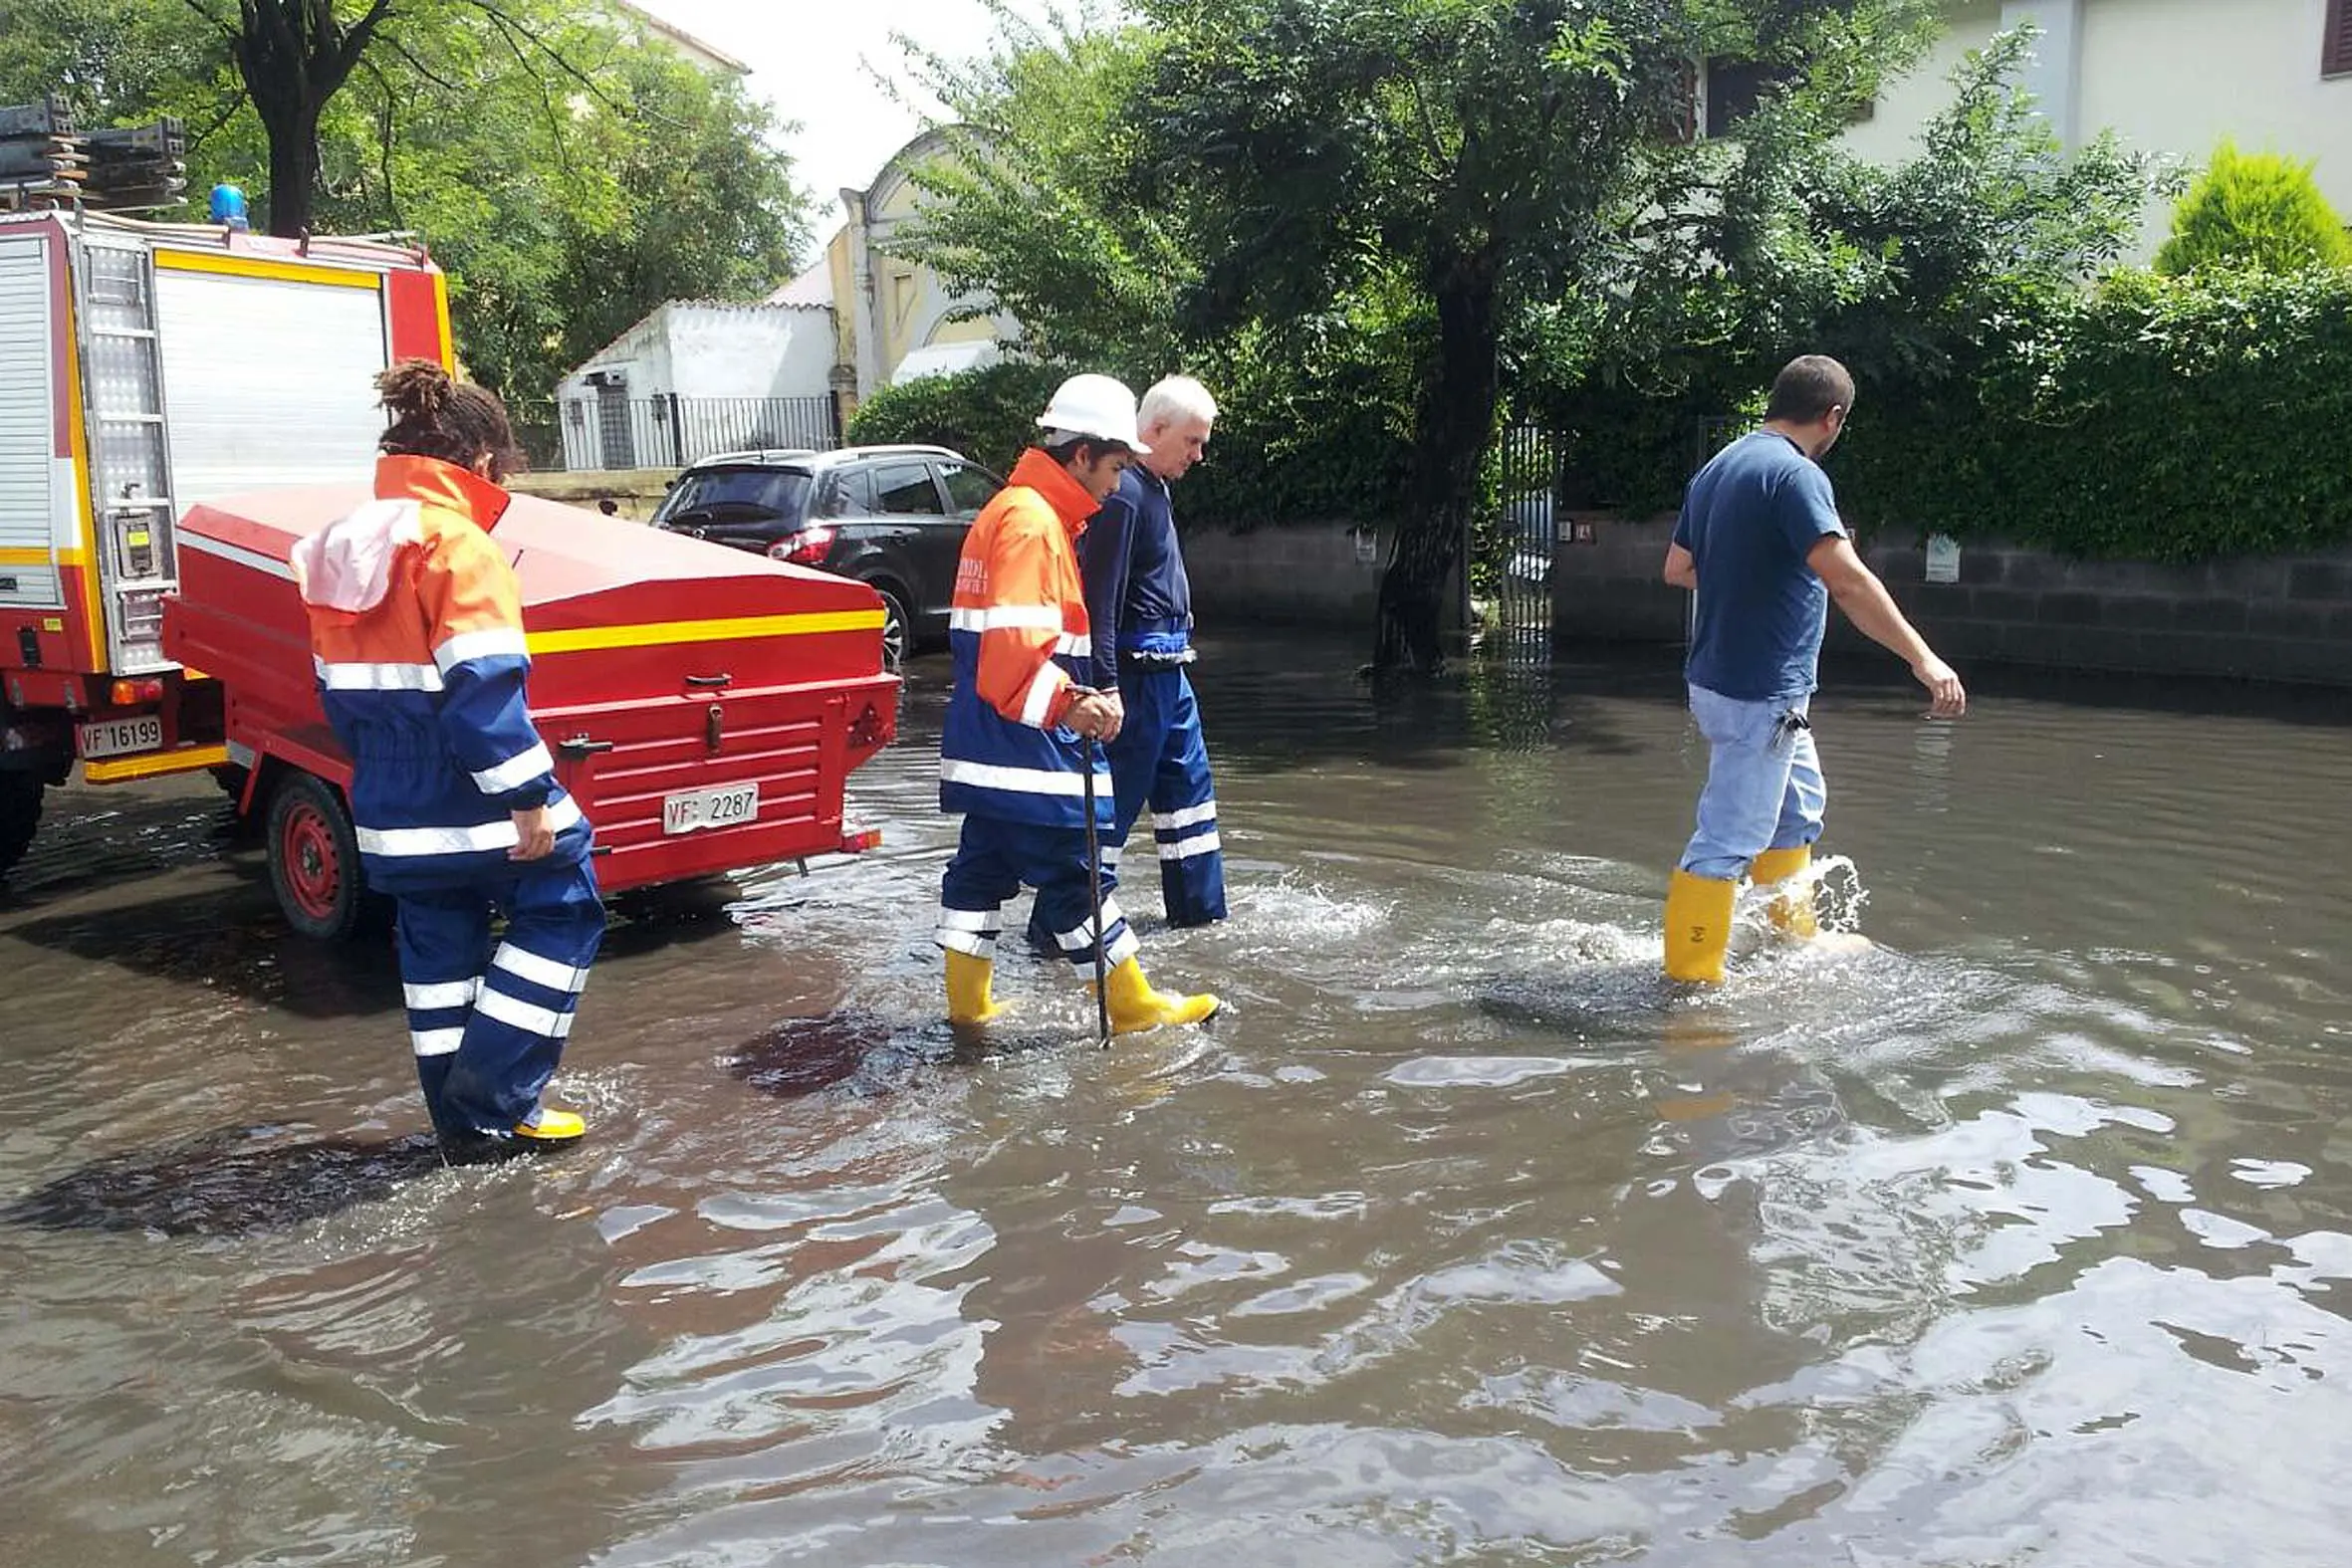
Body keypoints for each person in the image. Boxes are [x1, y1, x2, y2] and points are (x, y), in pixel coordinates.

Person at [292, 360, 602, 1156]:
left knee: (436, 950)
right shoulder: (457, 544)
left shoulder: (334, 546)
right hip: (472, 792)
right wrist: (528, 795)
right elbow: (483, 690)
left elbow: (333, 691)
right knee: (566, 900)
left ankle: (457, 1127)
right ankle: (496, 1093)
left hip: (390, 799)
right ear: (484, 463)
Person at [1659, 353, 1967, 985]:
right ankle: (1688, 987)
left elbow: (1679, 569)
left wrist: (1757, 569)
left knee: (1797, 810)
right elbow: (1849, 583)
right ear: (1832, 418)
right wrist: (1925, 660)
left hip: (1727, 682)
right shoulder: (1796, 477)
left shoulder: (1720, 467)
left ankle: (1789, 940)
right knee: (1726, 840)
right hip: (1759, 692)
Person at [937, 373, 1221, 1034]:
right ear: (1082, 454)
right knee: (1077, 883)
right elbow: (1014, 661)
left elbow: (999, 652)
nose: (1119, 484)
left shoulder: (1009, 513)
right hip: (1029, 756)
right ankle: (1132, 1005)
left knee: (978, 876)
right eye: (1116, 466)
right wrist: (1075, 706)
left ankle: (968, 1011)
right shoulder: (1033, 526)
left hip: (987, 755)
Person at [1027, 374, 1227, 949]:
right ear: (1155, 429)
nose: (1199, 454)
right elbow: (1101, 600)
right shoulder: (1125, 495)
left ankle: (1201, 921)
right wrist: (1104, 685)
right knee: (1110, 805)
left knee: (1190, 800)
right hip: (1135, 676)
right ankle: (1059, 929)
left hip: (1171, 671)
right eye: (1191, 441)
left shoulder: (1154, 488)